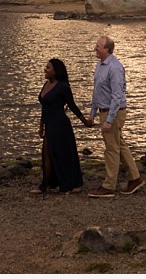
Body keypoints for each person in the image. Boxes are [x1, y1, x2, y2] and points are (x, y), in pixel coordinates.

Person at [87, 35, 144, 197]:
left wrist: (109, 120)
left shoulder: (115, 67)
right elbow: (97, 92)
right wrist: (92, 114)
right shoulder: (100, 66)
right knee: (120, 145)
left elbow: (117, 96)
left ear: (107, 49)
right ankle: (135, 178)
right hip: (103, 111)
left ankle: (109, 186)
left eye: (98, 46)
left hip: (113, 112)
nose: (95, 48)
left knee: (111, 149)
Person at [32, 57, 91, 194]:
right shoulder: (46, 85)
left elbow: (72, 105)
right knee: (46, 154)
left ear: (55, 71)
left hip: (60, 125)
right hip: (49, 124)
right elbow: (44, 107)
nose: (45, 70)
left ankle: (72, 183)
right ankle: (45, 185)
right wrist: (41, 126)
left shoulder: (63, 86)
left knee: (64, 155)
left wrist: (85, 121)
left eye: (48, 68)